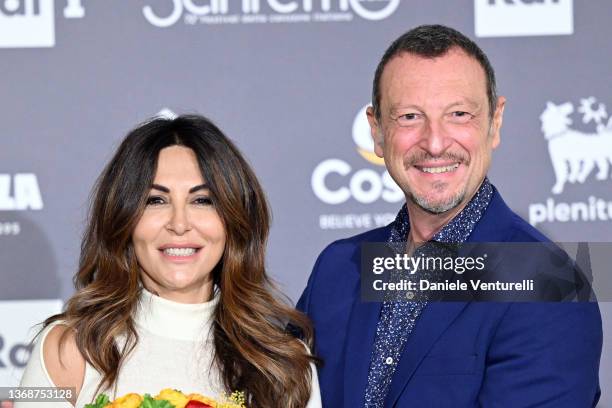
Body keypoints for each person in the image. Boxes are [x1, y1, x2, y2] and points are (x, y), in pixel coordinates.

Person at [297, 25, 602, 407]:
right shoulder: (337, 269)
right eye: (409, 116)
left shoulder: (550, 288)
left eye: (459, 114)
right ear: (377, 131)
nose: (435, 143)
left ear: (495, 122)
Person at [17, 115, 322, 408]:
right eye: (156, 200)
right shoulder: (69, 349)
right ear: (124, 219)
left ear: (233, 220)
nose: (179, 224)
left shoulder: (283, 363)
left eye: (202, 200)